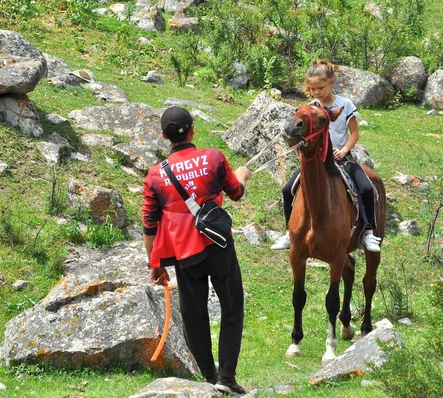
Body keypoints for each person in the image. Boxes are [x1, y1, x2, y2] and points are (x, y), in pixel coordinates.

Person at [142, 106, 251, 395]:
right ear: (193, 130)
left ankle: (209, 378)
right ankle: (226, 378)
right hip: (219, 244)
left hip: (184, 254)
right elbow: (236, 193)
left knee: (194, 315)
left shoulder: (155, 176)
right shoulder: (214, 157)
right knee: (232, 308)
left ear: (165, 136)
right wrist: (241, 175)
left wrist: (155, 264)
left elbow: (149, 223)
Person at [270, 59, 381, 252]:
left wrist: (345, 150)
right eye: (312, 89)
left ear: (331, 82)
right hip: (315, 160)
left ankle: (369, 232)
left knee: (366, 188)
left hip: (341, 158)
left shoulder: (345, 104)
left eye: (320, 87)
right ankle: (289, 233)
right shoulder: (310, 106)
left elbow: (354, 133)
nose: (317, 92)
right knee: (288, 189)